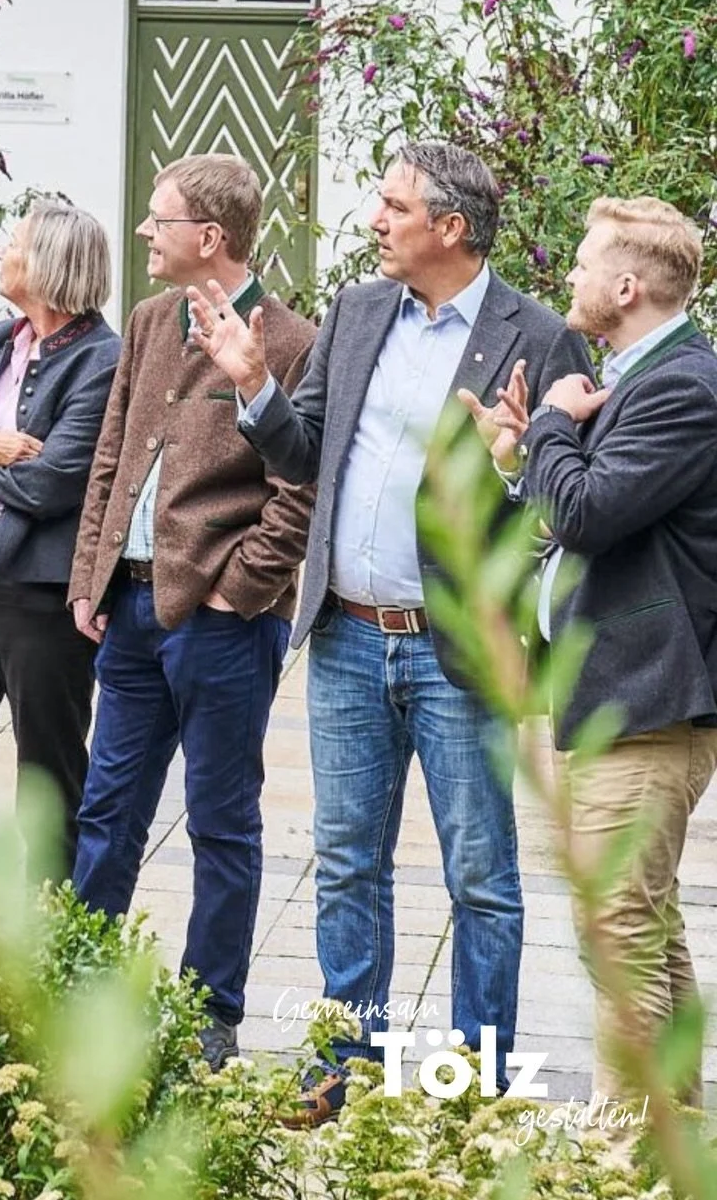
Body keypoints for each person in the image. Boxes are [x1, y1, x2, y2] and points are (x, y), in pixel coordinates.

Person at [189, 140, 591, 1120]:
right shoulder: (362, 313)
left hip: (462, 648)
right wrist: (254, 387)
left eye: (393, 203)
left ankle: (477, 1087)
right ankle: (342, 1064)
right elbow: (302, 454)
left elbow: (557, 511)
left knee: (481, 876)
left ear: (448, 228)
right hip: (349, 637)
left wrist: (505, 467)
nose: (376, 218)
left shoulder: (539, 338)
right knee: (347, 862)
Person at [68, 154, 316, 1072]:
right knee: (107, 811)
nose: (143, 232)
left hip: (222, 625)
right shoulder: (144, 321)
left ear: (208, 238)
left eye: (157, 219)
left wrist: (238, 587)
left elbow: (299, 485)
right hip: (128, 612)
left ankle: (212, 1014)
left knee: (221, 822)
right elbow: (111, 455)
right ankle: (77, 982)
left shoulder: (289, 341)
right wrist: (90, 575)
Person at [491, 197, 717, 1107]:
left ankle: (627, 1152)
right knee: (640, 925)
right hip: (610, 689)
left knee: (620, 928)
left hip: (647, 696)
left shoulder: (682, 386)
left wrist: (549, 421)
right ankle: (676, 1135)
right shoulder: (633, 377)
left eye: (583, 265)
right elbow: (570, 516)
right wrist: (522, 453)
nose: (571, 279)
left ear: (626, 286)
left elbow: (585, 513)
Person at [0, 201, 120, 876]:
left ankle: (58, 939)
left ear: (48, 264)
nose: (4, 253)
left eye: (15, 243)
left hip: (40, 591)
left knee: (48, 773)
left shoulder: (100, 359)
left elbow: (53, 482)